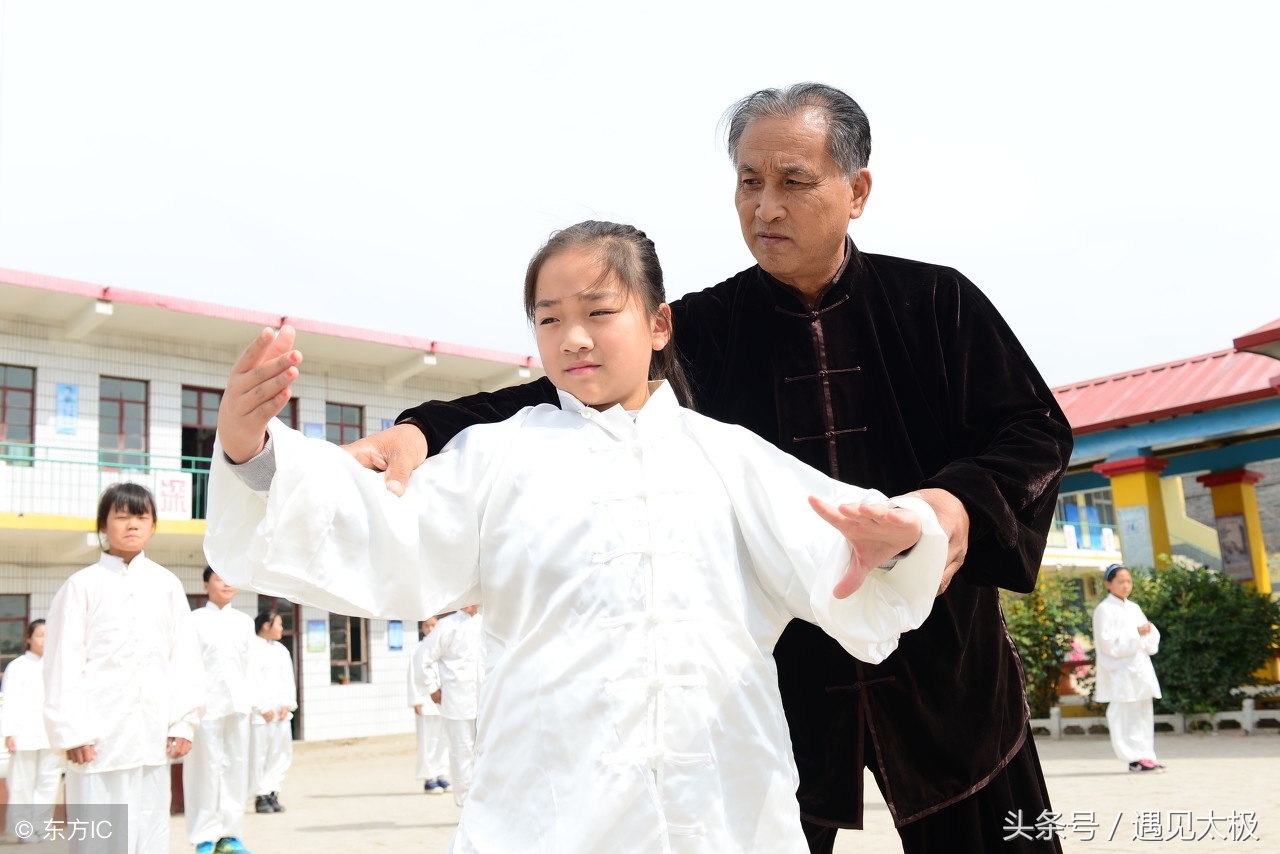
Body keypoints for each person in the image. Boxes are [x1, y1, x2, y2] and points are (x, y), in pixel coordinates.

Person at [345, 84, 1075, 852]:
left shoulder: (937, 303)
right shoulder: (701, 330)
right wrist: (424, 429)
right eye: (748, 182)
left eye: (793, 181)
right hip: (784, 675)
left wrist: (952, 509)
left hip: (947, 658)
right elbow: (559, 386)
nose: (765, 207)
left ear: (857, 191)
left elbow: (1032, 432)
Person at [203, 219, 948, 853]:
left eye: (599, 311)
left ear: (658, 324)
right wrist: (255, 451)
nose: (573, 338)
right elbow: (383, 529)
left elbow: (846, 536)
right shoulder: (497, 458)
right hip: (551, 814)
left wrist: (905, 537)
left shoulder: (729, 457)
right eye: (549, 317)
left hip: (721, 813)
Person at [43, 482, 205, 854]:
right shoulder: (81, 586)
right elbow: (62, 664)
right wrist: (72, 731)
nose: (132, 524)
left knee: (150, 835)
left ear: (152, 526)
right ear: (103, 526)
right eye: (122, 516)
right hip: (97, 739)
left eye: (141, 516)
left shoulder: (166, 585)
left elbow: (183, 658)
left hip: (152, 737)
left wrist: (183, 722)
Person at [185, 568, 255, 854]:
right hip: (206, 708)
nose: (227, 584)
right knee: (205, 771)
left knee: (236, 769)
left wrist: (252, 702)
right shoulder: (194, 621)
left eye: (231, 578)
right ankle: (204, 836)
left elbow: (250, 666)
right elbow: (188, 666)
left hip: (237, 707)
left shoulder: (244, 622)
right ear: (205, 584)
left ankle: (230, 835)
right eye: (219, 578)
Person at [1092, 563, 1164, 773]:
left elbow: (1150, 636)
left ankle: (1147, 755)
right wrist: (1136, 634)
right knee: (1125, 715)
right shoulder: (1104, 609)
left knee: (1143, 713)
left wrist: (1147, 632)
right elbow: (1107, 643)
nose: (1126, 585)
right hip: (1120, 672)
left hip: (1139, 669)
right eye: (1120, 581)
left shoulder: (1133, 607)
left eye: (1129, 581)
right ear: (1108, 584)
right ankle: (1133, 758)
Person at [2, 619, 63, 843]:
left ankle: (42, 828)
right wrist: (9, 733)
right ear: (28, 639)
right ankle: (23, 830)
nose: (45, 640)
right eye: (40, 635)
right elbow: (8, 701)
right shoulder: (17, 666)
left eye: (49, 635)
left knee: (48, 783)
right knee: (21, 784)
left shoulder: (56, 666)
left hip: (49, 735)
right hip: (23, 734)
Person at [418, 606, 482, 808]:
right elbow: (424, 657)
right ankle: (465, 802)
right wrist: (431, 687)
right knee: (460, 751)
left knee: (486, 751)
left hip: (486, 699)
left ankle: (483, 800)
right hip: (457, 699)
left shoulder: (487, 623)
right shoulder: (447, 625)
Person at [248, 608, 296, 813]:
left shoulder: (281, 650)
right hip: (260, 715)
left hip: (280, 714)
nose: (282, 629)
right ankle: (260, 795)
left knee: (280, 754)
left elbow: (288, 681)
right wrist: (262, 707)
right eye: (279, 624)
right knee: (259, 755)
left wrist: (286, 704)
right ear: (266, 626)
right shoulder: (251, 648)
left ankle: (273, 791)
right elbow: (249, 681)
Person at [407, 616, 451, 795]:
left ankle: (441, 774)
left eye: (434, 625)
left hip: (444, 702)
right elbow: (412, 676)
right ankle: (428, 778)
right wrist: (415, 700)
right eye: (427, 625)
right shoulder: (417, 649)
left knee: (443, 740)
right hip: (425, 701)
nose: (431, 628)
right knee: (427, 741)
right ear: (422, 628)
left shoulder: (445, 648)